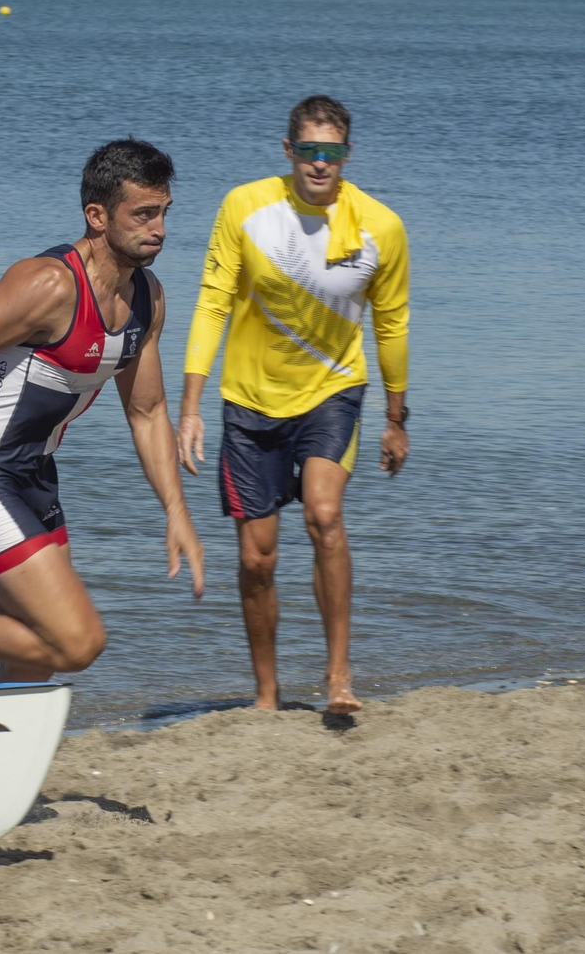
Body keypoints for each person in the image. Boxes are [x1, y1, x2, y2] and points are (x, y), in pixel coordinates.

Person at [0, 139, 205, 686]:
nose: (160, 228)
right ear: (97, 216)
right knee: (75, 642)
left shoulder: (149, 299)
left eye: (164, 212)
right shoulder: (46, 286)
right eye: (143, 214)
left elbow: (148, 411)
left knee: (31, 663)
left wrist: (176, 511)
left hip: (33, 475)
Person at [177, 95, 410, 714]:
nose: (320, 164)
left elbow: (392, 323)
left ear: (347, 156)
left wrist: (396, 417)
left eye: (331, 153)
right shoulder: (245, 207)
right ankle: (266, 694)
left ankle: (338, 680)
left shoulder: (379, 227)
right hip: (250, 400)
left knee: (324, 516)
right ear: (289, 152)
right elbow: (212, 302)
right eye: (309, 151)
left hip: (333, 391)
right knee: (257, 558)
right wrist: (191, 404)